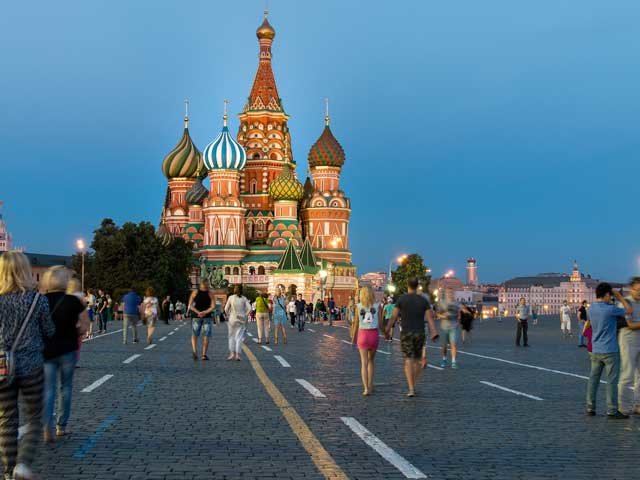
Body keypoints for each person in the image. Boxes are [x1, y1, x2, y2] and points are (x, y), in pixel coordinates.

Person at [0, 251, 55, 480]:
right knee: (34, 418)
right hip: (31, 365)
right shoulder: (37, 300)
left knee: (6, 419)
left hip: (2, 367)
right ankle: (22, 465)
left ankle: (7, 471)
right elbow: (49, 331)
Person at [41, 266, 88, 443]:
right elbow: (85, 325)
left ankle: (47, 426)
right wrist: (75, 332)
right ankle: (61, 426)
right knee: (66, 387)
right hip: (68, 349)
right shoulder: (73, 301)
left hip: (47, 350)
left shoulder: (41, 300)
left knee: (48, 389)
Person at [583, 283, 632, 419]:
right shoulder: (611, 309)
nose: (610, 298)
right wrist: (620, 297)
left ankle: (590, 407)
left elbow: (590, 323)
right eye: (610, 295)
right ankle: (612, 410)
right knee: (611, 381)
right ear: (606, 294)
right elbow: (629, 310)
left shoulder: (591, 309)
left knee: (593, 379)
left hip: (595, 349)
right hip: (610, 350)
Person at [385, 278, 439, 397]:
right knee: (418, 360)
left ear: (407, 285)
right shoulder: (423, 301)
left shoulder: (402, 299)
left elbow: (393, 316)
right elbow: (430, 318)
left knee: (408, 360)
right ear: (417, 286)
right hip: (420, 333)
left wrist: (387, 330)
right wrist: (434, 332)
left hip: (406, 333)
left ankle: (411, 388)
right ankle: (413, 383)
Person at [350, 286, 381, 396]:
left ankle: (366, 389)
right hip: (373, 334)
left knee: (364, 362)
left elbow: (355, 324)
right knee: (371, 361)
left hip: (362, 335)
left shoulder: (358, 306)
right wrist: (386, 333)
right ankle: (371, 385)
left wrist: (353, 338)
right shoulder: (377, 306)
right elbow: (381, 323)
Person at [619, 278, 640, 415]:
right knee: (627, 374)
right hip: (628, 342)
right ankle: (622, 406)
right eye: (638, 290)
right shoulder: (625, 303)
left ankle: (638, 404)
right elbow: (630, 325)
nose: (639, 293)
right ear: (631, 289)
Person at [188, 280, 214, 360]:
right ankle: (204, 355)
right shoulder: (210, 293)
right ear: (207, 284)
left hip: (196, 316)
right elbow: (213, 307)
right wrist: (205, 312)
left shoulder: (195, 292)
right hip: (207, 317)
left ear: (201, 284)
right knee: (206, 336)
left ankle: (194, 351)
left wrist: (198, 312)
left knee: (194, 334)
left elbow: (190, 305)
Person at [224, 285, 251, 361]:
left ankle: (232, 354)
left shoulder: (231, 297)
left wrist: (228, 315)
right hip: (241, 319)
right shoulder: (244, 298)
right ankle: (238, 355)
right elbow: (250, 308)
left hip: (232, 319)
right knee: (239, 337)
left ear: (234, 290)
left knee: (231, 337)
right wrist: (245, 315)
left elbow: (226, 309)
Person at [437, 289, 461, 368]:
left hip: (453, 327)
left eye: (452, 292)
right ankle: (444, 359)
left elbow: (459, 314)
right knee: (444, 345)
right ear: (446, 294)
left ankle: (453, 362)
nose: (450, 294)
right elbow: (437, 314)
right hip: (444, 327)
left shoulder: (457, 303)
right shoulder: (442, 303)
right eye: (449, 292)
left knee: (453, 344)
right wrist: (443, 316)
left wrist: (458, 320)